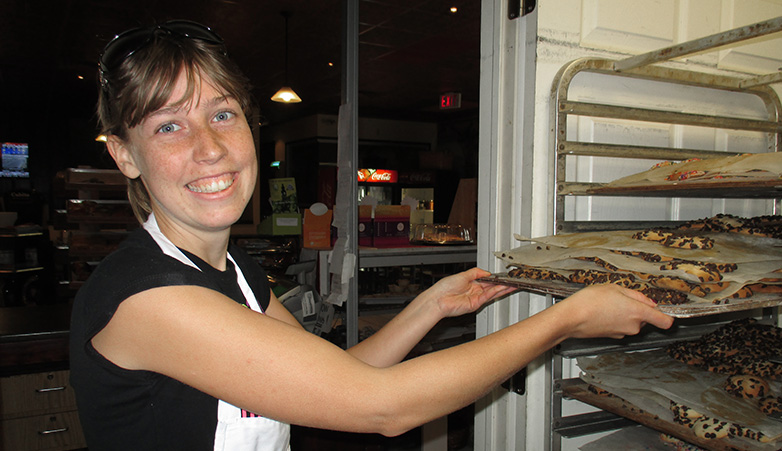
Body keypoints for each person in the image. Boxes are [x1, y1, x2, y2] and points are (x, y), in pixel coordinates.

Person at [69, 19, 674, 451]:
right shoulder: (150, 297)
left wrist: (430, 306)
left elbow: (341, 373)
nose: (209, 148)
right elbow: (380, 407)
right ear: (124, 155)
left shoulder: (236, 270)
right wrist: (564, 320)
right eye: (169, 126)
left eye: (222, 113)